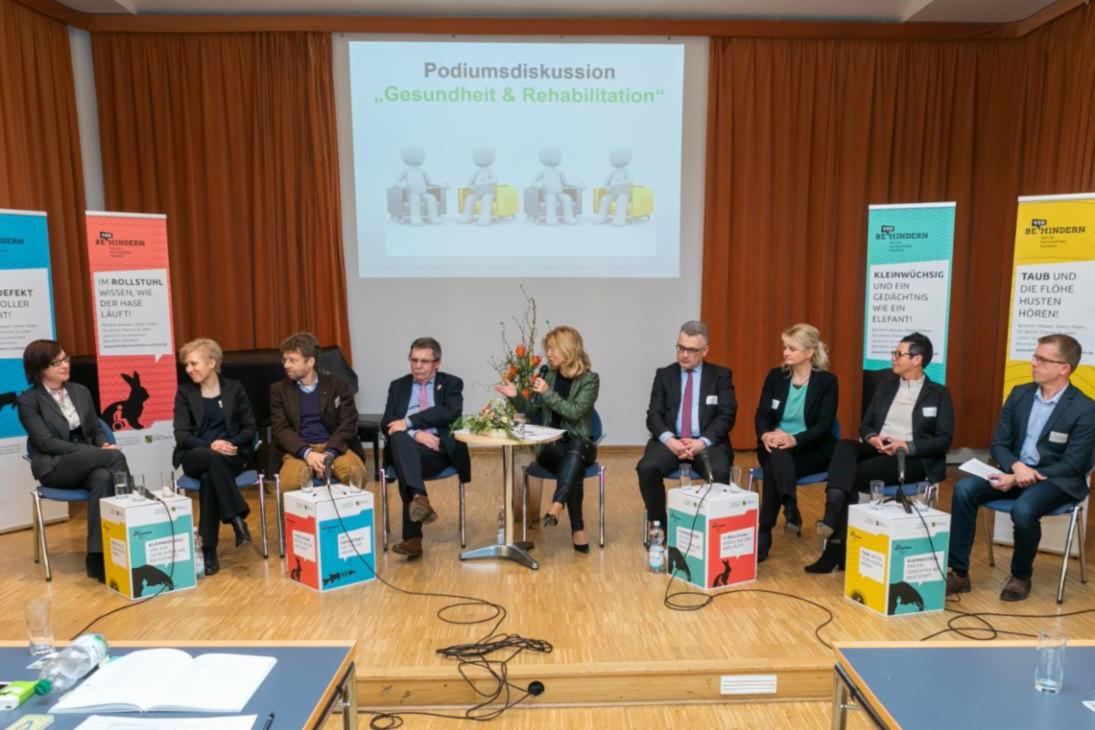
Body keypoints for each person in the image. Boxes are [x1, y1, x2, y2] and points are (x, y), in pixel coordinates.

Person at [947, 334, 1095, 602]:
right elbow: (999, 444)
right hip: (1013, 470)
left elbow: (1073, 465)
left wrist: (1017, 478)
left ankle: (1020, 575)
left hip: (1057, 480)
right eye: (1035, 356)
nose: (1034, 363)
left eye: (1042, 359)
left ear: (1064, 367)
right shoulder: (1020, 395)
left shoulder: (1085, 409)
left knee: (1024, 509)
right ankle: (958, 573)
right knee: (964, 489)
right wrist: (1015, 468)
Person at [805, 332, 953, 573]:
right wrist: (873, 438)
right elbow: (866, 425)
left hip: (912, 459)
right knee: (844, 446)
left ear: (917, 359)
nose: (893, 358)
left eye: (899, 354)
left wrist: (908, 446)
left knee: (854, 473)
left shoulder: (938, 394)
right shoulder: (886, 386)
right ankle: (834, 509)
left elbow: (944, 440)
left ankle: (834, 546)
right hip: (879, 448)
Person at [17, 339, 129, 582]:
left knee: (102, 477)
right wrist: (96, 453)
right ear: (39, 368)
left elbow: (95, 427)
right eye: (56, 362)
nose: (65, 365)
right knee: (115, 458)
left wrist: (102, 444)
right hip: (55, 465)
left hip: (89, 461)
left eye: (66, 359)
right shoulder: (29, 401)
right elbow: (46, 443)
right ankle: (132, 530)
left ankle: (97, 556)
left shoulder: (80, 391)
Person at [496, 326, 600, 552]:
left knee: (576, 448)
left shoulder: (590, 380)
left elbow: (574, 412)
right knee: (573, 465)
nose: (548, 354)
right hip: (551, 450)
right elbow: (533, 411)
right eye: (548, 349)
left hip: (582, 446)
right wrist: (515, 397)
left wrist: (547, 393)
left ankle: (558, 503)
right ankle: (573, 522)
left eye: (552, 349)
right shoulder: (547, 375)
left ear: (568, 350)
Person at [636, 321, 737, 529]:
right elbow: (653, 415)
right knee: (647, 468)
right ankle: (658, 526)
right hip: (671, 443)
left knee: (719, 470)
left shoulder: (720, 375)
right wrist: (670, 440)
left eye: (691, 350)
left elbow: (727, 415)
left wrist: (702, 442)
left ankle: (712, 530)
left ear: (705, 350)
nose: (684, 354)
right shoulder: (664, 374)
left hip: (707, 443)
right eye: (680, 347)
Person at [754, 324, 839, 563]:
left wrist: (794, 439)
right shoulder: (776, 377)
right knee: (778, 455)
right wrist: (765, 435)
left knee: (775, 466)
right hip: (774, 444)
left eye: (792, 348)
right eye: (785, 347)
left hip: (811, 448)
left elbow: (824, 425)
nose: (786, 352)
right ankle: (789, 504)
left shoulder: (827, 382)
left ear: (810, 351)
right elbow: (762, 415)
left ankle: (765, 531)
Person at [172, 338, 256, 576]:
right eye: (186, 365)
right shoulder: (185, 392)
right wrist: (211, 445)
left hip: (230, 455)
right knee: (211, 459)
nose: (189, 369)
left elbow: (250, 428)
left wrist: (229, 444)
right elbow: (181, 434)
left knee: (212, 476)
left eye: (193, 363)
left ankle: (209, 549)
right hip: (196, 454)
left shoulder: (234, 388)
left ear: (212, 362)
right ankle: (236, 518)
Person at [381, 337, 471, 560]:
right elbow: (387, 422)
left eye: (424, 361)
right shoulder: (398, 385)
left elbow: (450, 412)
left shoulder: (451, 383)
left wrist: (409, 422)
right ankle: (419, 497)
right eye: (413, 360)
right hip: (408, 447)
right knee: (401, 442)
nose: (417, 366)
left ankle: (413, 538)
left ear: (437, 363)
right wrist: (415, 433)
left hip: (437, 451)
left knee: (404, 461)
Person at [270, 332, 366, 491]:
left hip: (335, 447)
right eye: (285, 360)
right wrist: (307, 453)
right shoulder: (278, 390)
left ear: (310, 362)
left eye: (292, 360)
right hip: (298, 449)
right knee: (290, 484)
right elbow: (281, 429)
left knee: (356, 475)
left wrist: (329, 454)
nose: (286, 365)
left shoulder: (338, 385)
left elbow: (348, 423)